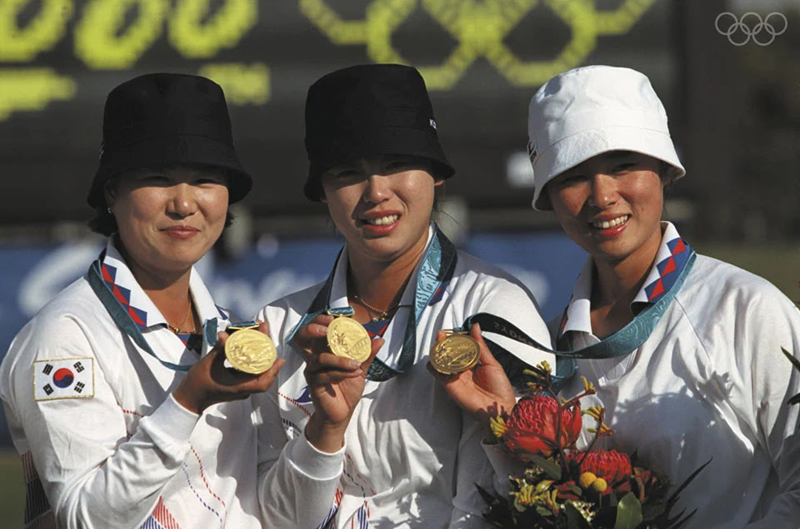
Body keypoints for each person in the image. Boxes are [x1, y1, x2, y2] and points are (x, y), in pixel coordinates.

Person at [433, 65, 800, 529]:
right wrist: (507, 424)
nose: (602, 195)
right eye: (572, 176)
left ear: (665, 169)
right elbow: (546, 510)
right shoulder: (552, 349)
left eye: (623, 164)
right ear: (548, 198)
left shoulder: (746, 309)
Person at [253, 64, 555, 529]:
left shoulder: (496, 310)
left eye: (396, 164)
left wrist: (503, 425)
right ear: (323, 192)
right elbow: (270, 520)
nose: (376, 192)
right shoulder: (278, 328)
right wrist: (324, 430)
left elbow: (539, 502)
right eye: (348, 171)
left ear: (434, 173)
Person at [0, 73, 287, 529]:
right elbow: (83, 519)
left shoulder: (231, 333)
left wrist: (324, 429)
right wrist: (189, 399)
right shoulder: (65, 336)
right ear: (111, 192)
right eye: (158, 178)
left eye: (205, 179)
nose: (184, 203)